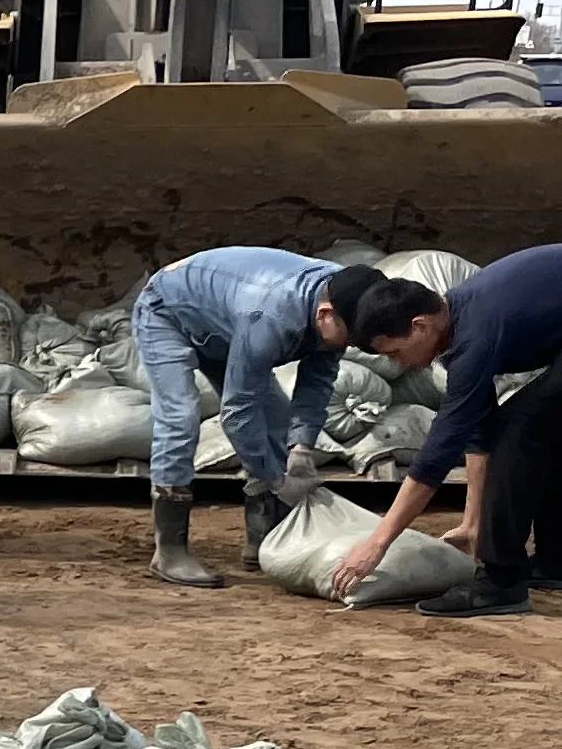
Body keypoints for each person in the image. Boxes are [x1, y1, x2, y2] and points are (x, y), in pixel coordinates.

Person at [326, 244, 562, 615]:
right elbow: (478, 427)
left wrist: (377, 544)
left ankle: (498, 581)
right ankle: (558, 560)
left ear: (420, 326)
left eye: (394, 352)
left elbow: (439, 451)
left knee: (522, 428)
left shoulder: (477, 334)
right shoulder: (459, 320)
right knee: (552, 427)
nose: (399, 363)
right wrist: (472, 521)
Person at [126, 249, 390, 587]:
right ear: (325, 315)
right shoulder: (272, 315)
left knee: (276, 419)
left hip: (225, 319)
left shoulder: (350, 295)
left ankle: (263, 539)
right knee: (180, 418)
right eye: (350, 339)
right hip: (168, 310)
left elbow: (318, 380)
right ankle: (170, 551)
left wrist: (302, 448)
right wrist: (277, 480)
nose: (349, 346)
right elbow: (236, 414)